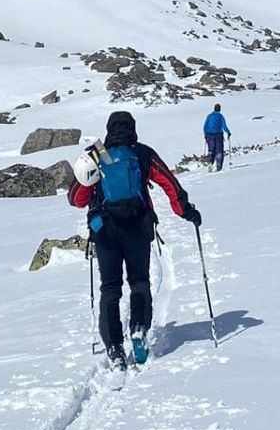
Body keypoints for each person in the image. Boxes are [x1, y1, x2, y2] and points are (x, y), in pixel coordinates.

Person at [68, 110, 202, 368]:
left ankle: (115, 347)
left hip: (105, 230)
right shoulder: (142, 153)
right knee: (139, 281)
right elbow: (169, 184)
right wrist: (187, 211)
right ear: (132, 128)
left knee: (110, 288)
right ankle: (139, 329)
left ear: (109, 128)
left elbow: (77, 198)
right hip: (138, 227)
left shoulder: (95, 153)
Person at [202, 103, 231, 171]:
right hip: (218, 134)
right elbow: (224, 126)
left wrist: (205, 134)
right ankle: (219, 166)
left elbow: (205, 126)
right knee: (219, 151)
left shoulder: (209, 116)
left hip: (209, 134)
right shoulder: (220, 116)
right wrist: (228, 132)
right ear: (220, 109)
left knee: (211, 150)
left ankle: (210, 164)